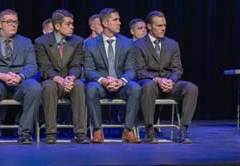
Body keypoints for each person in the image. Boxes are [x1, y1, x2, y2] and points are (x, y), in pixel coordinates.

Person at [0, 9, 42, 144]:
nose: (13, 25)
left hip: (19, 82)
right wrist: (1, 75)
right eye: (9, 22)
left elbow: (32, 66)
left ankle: (25, 133)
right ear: (0, 24)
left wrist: (20, 76)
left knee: (35, 87)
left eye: (15, 22)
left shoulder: (25, 42)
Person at [135, 11, 198, 144]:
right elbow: (139, 71)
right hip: (151, 85)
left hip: (169, 84)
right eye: (159, 25)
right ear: (149, 26)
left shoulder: (172, 44)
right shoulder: (138, 45)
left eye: (164, 25)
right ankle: (149, 132)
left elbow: (177, 68)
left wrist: (171, 80)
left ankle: (183, 130)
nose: (163, 28)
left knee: (191, 88)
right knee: (148, 85)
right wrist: (157, 79)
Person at [84, 8, 142, 143]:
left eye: (119, 19)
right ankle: (98, 131)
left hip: (121, 85)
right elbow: (89, 70)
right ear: (105, 23)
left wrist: (121, 81)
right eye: (115, 20)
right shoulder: (91, 44)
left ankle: (128, 130)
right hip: (101, 85)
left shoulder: (127, 43)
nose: (119, 23)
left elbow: (131, 69)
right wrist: (103, 80)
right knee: (91, 88)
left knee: (135, 88)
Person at [34, 9, 89, 144]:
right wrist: (59, 79)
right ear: (57, 26)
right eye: (68, 24)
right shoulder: (41, 42)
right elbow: (45, 67)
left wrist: (71, 78)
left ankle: (80, 133)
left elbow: (77, 65)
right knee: (48, 86)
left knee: (79, 85)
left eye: (72, 23)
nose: (72, 27)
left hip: (69, 80)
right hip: (53, 80)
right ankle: (51, 133)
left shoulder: (77, 41)